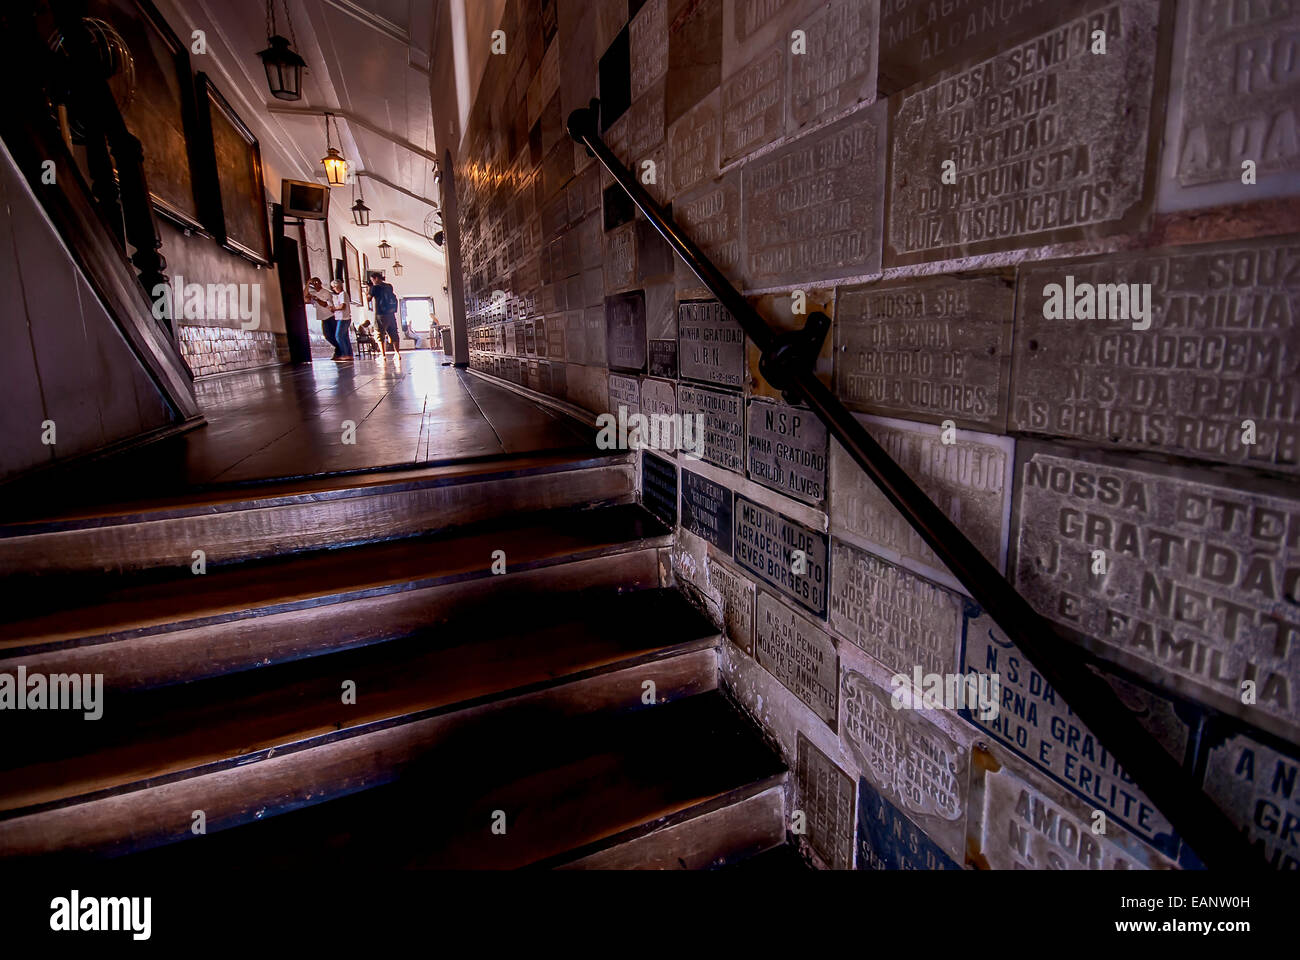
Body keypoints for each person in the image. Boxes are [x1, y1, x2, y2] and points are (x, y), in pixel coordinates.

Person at [367, 271, 401, 357]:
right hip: (391, 313)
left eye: (372, 280)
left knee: (379, 334)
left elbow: (368, 299)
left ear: (376, 278)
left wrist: (367, 291)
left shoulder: (374, 288)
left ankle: (383, 356)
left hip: (380, 314)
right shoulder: (389, 286)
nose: (372, 282)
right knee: (394, 333)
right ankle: (397, 354)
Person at [304, 278, 336, 355]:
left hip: (330, 316)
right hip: (323, 318)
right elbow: (305, 297)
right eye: (313, 283)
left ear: (320, 283)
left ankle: (339, 350)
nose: (315, 284)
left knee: (334, 335)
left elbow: (324, 304)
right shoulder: (314, 293)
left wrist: (316, 298)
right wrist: (308, 283)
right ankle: (338, 349)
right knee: (327, 335)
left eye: (317, 282)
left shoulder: (326, 292)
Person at [328, 279, 354, 361]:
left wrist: (334, 309)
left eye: (334, 287)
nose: (333, 289)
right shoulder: (342, 294)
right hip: (343, 318)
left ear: (338, 286)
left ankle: (345, 354)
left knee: (338, 336)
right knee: (345, 337)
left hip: (343, 318)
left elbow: (343, 306)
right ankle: (349, 354)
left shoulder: (342, 294)